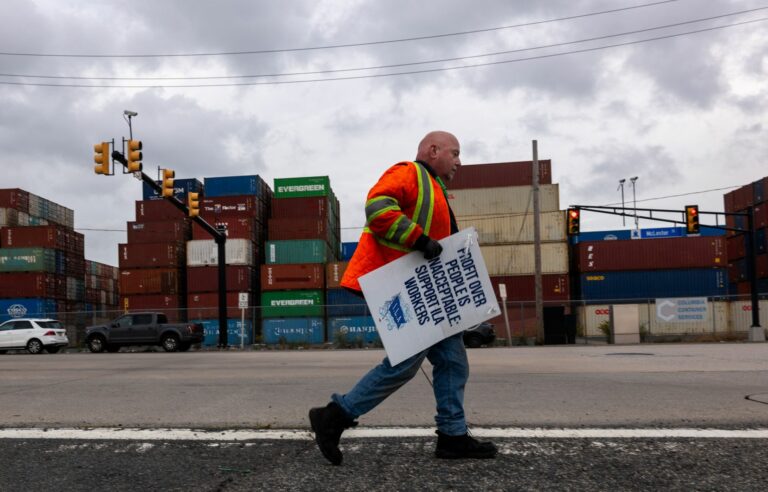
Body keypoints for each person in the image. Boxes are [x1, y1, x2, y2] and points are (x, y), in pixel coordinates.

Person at [309, 131, 497, 465]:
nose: (459, 161)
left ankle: (453, 436)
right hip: (407, 293)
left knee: (453, 362)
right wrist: (420, 240)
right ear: (433, 150)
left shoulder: (436, 189)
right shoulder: (409, 172)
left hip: (428, 294)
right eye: (455, 153)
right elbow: (378, 208)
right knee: (403, 366)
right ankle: (335, 416)